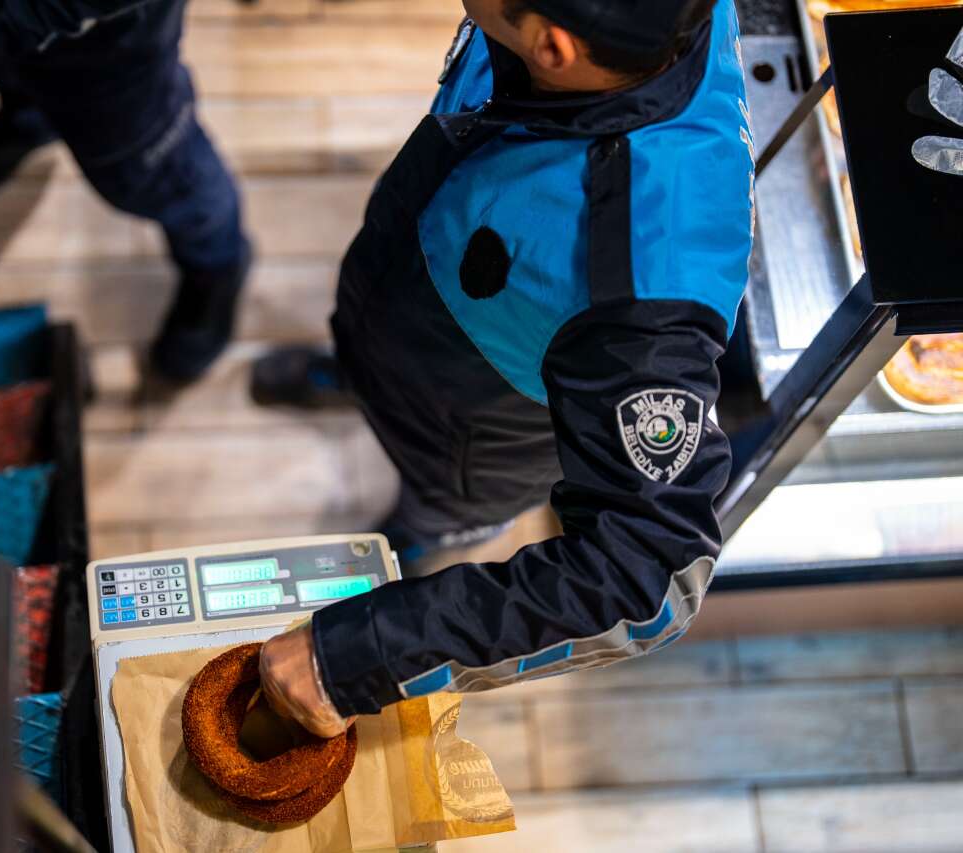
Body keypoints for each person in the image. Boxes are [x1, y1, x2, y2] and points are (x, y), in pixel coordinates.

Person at [255, 0, 755, 736]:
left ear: (552, 47)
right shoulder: (624, 32)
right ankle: (353, 371)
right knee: (367, 356)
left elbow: (650, 575)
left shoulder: (645, 290)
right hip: (411, 283)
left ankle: (414, 538)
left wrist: (359, 653)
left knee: (432, 511)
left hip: (473, 426)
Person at [0, 0, 250, 383]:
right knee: (9, 72)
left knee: (163, 177)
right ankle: (31, 119)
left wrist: (21, 19)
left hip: (104, 38)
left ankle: (217, 261)